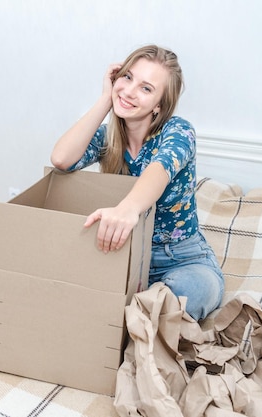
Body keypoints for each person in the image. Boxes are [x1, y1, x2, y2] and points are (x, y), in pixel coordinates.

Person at [50, 44, 223, 321]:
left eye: (146, 88)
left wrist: (128, 209)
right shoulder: (108, 137)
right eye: (127, 77)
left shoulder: (178, 130)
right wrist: (107, 98)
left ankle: (142, 311)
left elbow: (159, 169)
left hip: (180, 258)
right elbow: (61, 159)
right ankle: (135, 312)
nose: (130, 91)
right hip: (123, 257)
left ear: (159, 105)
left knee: (189, 292)